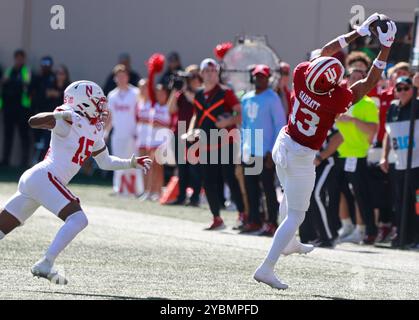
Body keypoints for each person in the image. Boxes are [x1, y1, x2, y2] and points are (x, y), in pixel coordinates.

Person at [253, 13, 396, 289]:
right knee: (297, 213)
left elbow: (326, 51)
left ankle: (290, 242)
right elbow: (366, 84)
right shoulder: (335, 100)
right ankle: (267, 267)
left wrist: (358, 31)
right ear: (331, 84)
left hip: (283, 143)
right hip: (302, 155)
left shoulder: (299, 75)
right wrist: (386, 46)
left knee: (288, 194)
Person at [0, 80, 151, 284]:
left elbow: (105, 162)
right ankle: (46, 263)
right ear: (84, 102)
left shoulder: (93, 129)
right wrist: (59, 116)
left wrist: (131, 162)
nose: (102, 108)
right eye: (98, 103)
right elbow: (34, 121)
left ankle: (46, 263)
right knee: (78, 219)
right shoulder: (68, 119)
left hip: (39, 180)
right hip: (45, 176)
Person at [189, 58, 245, 230]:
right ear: (201, 74)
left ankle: (242, 214)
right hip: (206, 144)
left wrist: (228, 121)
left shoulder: (225, 92)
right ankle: (216, 218)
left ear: (218, 73)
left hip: (226, 142)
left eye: (213, 71)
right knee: (208, 182)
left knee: (230, 179)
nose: (210, 74)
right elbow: (196, 116)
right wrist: (192, 131)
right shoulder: (198, 94)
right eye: (207, 71)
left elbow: (241, 114)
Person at [240, 65, 286, 236]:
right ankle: (254, 220)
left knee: (268, 189)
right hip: (249, 150)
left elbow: (279, 126)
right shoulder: (246, 98)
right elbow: (244, 125)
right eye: (257, 76)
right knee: (251, 188)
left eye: (263, 77)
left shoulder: (272, 98)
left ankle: (272, 222)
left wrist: (273, 152)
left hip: (265, 151)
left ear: (268, 78)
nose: (260, 79)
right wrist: (242, 148)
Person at [335, 68, 379, 245]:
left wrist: (352, 120)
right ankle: (348, 226)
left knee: (361, 194)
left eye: (358, 79)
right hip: (340, 153)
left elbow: (372, 130)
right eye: (351, 78)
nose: (354, 81)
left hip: (358, 154)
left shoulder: (367, 103)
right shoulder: (342, 101)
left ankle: (368, 230)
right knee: (342, 193)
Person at [380, 76, 419, 248]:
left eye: (406, 88)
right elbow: (388, 134)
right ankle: (404, 237)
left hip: (417, 164)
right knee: (402, 202)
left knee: (417, 202)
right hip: (400, 163)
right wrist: (384, 155)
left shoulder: (417, 106)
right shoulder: (393, 108)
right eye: (399, 88)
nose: (402, 92)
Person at [167, 65, 203, 206]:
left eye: (194, 76)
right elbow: (171, 109)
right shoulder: (181, 93)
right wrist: (175, 90)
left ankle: (195, 197)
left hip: (195, 133)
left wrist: (188, 92)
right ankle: (181, 196)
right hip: (180, 131)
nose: (191, 80)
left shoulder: (201, 93)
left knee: (195, 168)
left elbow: (197, 105)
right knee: (181, 167)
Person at [105, 64, 140, 195]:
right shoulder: (112, 95)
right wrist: (106, 132)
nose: (121, 78)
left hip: (132, 133)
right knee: (117, 161)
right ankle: (118, 188)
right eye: (118, 76)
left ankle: (136, 189)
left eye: (123, 75)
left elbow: (139, 113)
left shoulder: (135, 93)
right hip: (118, 134)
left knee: (134, 161)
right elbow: (110, 116)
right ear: (115, 78)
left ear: (128, 77)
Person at [0, 49, 32, 167]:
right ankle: (5, 160)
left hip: (22, 109)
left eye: (21, 58)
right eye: (17, 58)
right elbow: (4, 84)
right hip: (8, 108)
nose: (19, 60)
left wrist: (12, 82)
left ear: (24, 59)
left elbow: (26, 83)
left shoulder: (26, 71)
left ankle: (24, 162)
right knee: (8, 135)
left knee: (24, 135)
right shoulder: (9, 71)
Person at [31, 56, 57, 164]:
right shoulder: (37, 77)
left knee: (48, 141)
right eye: (44, 64)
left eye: (48, 64)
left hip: (50, 115)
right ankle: (36, 160)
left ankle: (45, 161)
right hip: (37, 112)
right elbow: (32, 93)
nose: (45, 67)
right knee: (37, 140)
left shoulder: (54, 78)